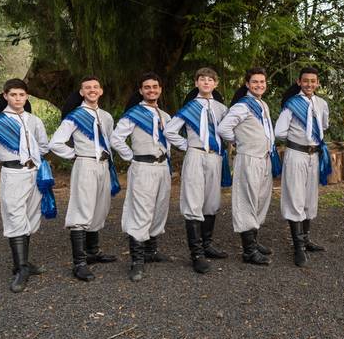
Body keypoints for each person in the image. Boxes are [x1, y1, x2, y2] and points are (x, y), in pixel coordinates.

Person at [0, 78, 55, 293]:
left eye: (21, 95)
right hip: (13, 174)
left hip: (34, 173)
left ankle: (24, 263)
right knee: (15, 216)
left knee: (31, 215)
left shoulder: (34, 121)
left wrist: (35, 158)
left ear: (26, 97)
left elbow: (43, 145)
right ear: (5, 96)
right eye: (13, 95)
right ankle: (21, 269)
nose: (18, 98)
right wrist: (0, 159)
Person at [50, 76, 120, 282]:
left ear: (101, 91)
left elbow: (108, 141)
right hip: (86, 164)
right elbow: (55, 143)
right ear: (81, 92)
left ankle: (93, 252)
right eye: (87, 87)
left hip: (103, 165)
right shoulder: (74, 117)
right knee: (81, 210)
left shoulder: (106, 116)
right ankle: (79, 263)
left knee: (99, 207)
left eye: (95, 87)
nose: (92, 90)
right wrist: (74, 154)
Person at [164, 67, 231, 274]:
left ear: (215, 84)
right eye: (202, 79)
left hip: (215, 157)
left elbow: (229, 130)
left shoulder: (222, 108)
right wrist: (187, 145)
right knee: (193, 201)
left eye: (210, 80)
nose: (206, 82)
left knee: (212, 201)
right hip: (195, 155)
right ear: (196, 83)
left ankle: (207, 245)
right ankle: (196, 254)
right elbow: (169, 131)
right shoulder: (189, 107)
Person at [110, 72, 172, 282]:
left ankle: (150, 251)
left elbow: (169, 141)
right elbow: (116, 139)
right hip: (142, 167)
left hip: (162, 167)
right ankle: (137, 260)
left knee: (159, 208)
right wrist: (132, 157)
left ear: (160, 89)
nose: (151, 90)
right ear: (141, 90)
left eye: (155, 87)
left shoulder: (166, 116)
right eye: (147, 87)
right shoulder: (133, 114)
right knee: (141, 210)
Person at [218, 67, 280, 266]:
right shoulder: (242, 106)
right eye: (255, 82)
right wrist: (239, 142)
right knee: (247, 200)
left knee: (260, 199)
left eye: (262, 82)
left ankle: (254, 240)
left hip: (264, 158)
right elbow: (223, 128)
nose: (259, 85)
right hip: (249, 158)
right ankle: (248, 251)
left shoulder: (262, 104)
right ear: (247, 84)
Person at [275, 67, 331, 267]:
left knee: (309, 197)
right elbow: (279, 131)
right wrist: (297, 137)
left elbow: (323, 125)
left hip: (314, 155)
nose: (309, 84)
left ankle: (306, 240)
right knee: (295, 197)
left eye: (313, 81)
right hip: (296, 154)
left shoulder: (322, 103)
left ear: (317, 83)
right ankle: (298, 247)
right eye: (305, 81)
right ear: (299, 82)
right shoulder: (291, 104)